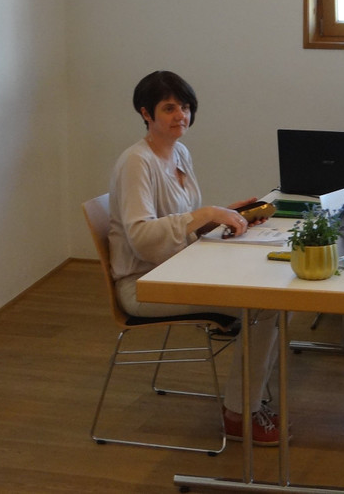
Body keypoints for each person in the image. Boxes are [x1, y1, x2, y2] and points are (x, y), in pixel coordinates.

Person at [108, 70, 284, 445]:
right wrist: (205, 214)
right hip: (144, 284)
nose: (181, 116)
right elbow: (142, 239)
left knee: (271, 295)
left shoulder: (179, 153)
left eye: (186, 107)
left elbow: (182, 225)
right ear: (145, 113)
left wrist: (223, 214)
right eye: (169, 108)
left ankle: (248, 401)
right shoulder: (137, 162)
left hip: (178, 268)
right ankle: (239, 413)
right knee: (264, 306)